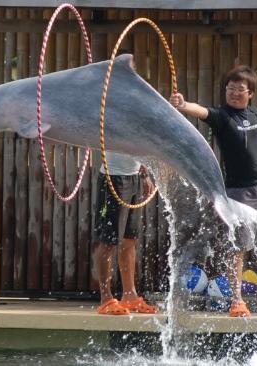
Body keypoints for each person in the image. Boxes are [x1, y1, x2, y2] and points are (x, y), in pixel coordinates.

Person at [169, 65, 257, 317]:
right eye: (230, 88)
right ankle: (236, 300)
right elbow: (202, 111)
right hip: (239, 192)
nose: (234, 93)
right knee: (238, 246)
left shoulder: (254, 114)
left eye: (240, 89)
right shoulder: (222, 117)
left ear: (250, 93)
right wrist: (183, 105)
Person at [94, 50, 158, 316]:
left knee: (130, 239)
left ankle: (130, 295)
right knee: (108, 241)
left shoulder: (136, 103)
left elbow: (139, 143)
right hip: (112, 178)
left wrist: (144, 174)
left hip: (132, 176)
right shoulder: (106, 102)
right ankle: (106, 298)